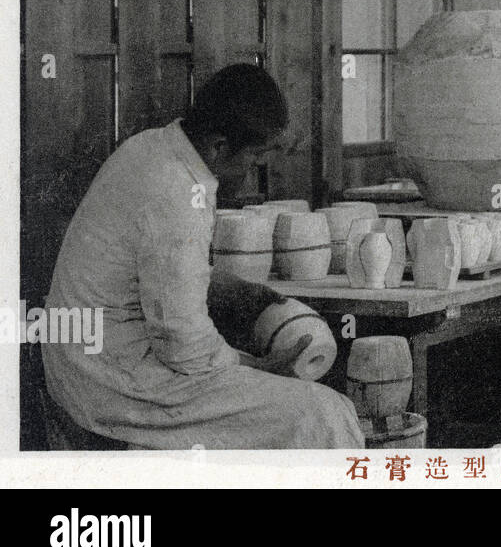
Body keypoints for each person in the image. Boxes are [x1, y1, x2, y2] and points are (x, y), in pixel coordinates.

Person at [42, 64, 364, 449]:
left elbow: (163, 271)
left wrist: (242, 290)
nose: (254, 170)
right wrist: (260, 369)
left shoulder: (152, 147)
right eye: (254, 156)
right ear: (219, 146)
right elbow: (182, 345)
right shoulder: (176, 190)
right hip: (108, 378)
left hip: (89, 356)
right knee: (324, 415)